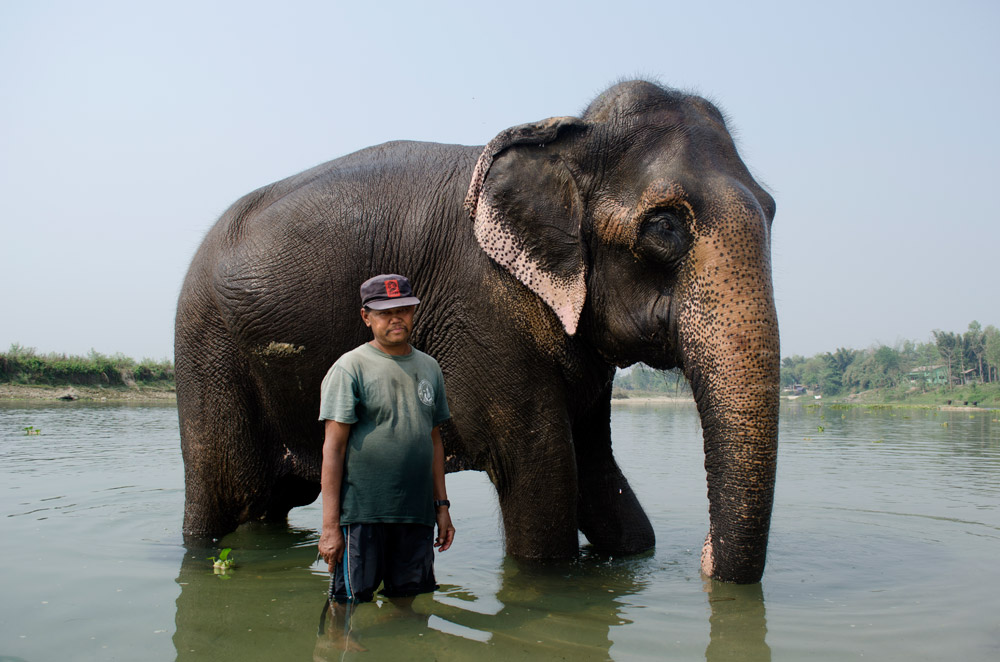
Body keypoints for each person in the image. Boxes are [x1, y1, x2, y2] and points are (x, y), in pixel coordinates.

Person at [316, 273, 455, 647]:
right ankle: (333, 644)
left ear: (413, 312)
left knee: (408, 598)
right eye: (386, 312)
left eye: (404, 310)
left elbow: (434, 439)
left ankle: (399, 645)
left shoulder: (429, 367)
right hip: (362, 513)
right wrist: (330, 526)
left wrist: (441, 507)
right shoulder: (350, 367)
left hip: (415, 512)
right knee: (346, 600)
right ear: (366, 317)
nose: (397, 319)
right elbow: (333, 448)